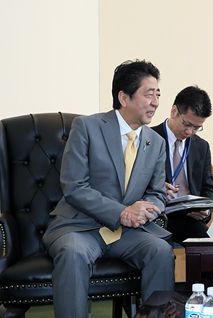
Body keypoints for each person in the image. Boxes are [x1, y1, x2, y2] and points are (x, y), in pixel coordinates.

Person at [42, 60, 175, 318]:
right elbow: (74, 186)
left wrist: (145, 210)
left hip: (127, 233)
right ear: (123, 97)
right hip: (81, 226)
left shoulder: (155, 142)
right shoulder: (87, 127)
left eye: (158, 94)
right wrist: (123, 212)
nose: (156, 102)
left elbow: (157, 193)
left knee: (160, 250)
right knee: (72, 252)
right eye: (149, 94)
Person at [151, 85, 213, 245]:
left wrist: (205, 210)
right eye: (187, 124)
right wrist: (158, 187)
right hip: (157, 217)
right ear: (174, 111)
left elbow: (208, 188)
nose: (189, 132)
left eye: (196, 127)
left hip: (189, 218)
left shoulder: (201, 147)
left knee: (210, 248)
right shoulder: (149, 139)